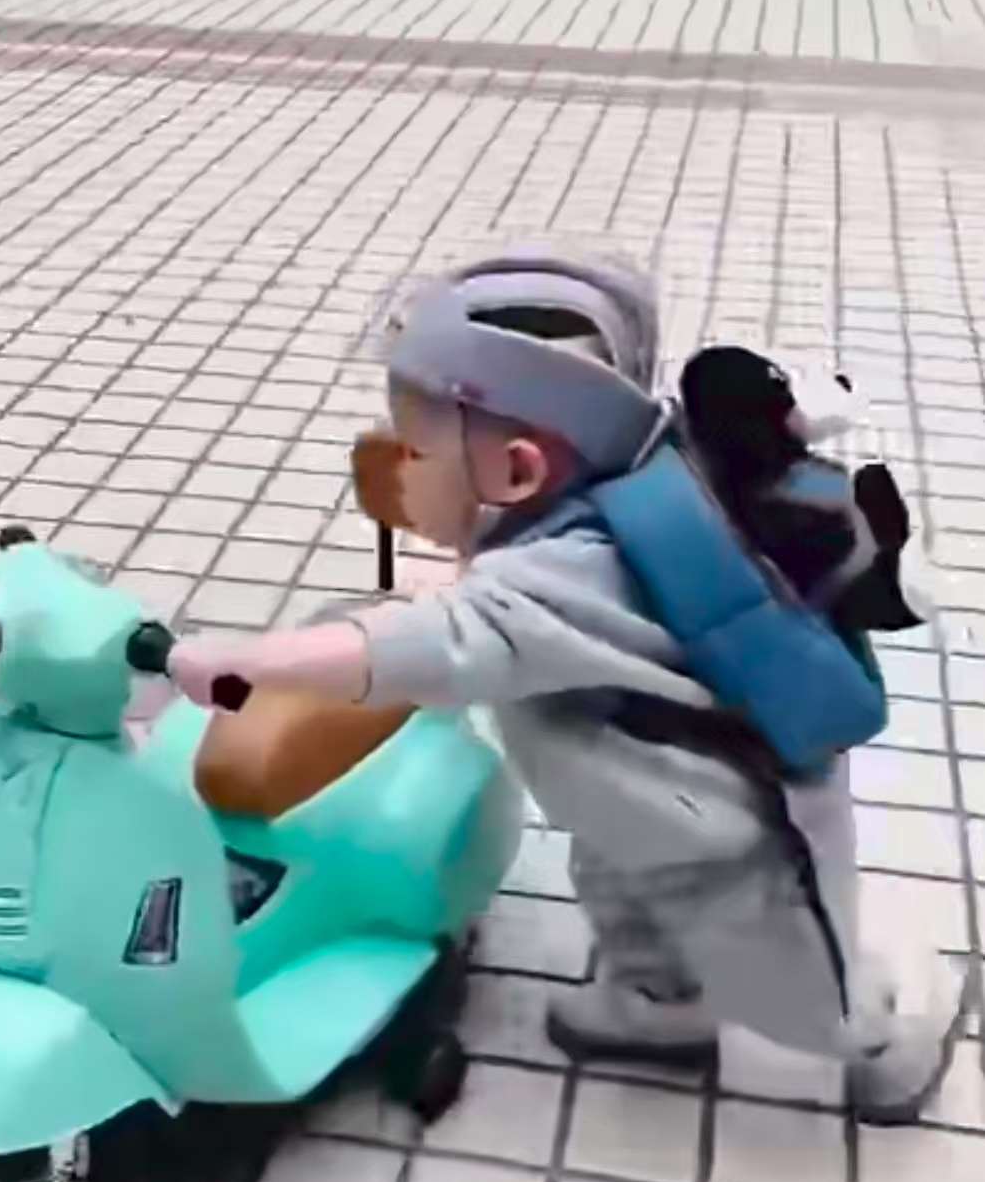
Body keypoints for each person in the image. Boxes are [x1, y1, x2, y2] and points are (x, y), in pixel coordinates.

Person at [168, 248, 964, 1125]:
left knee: (797, 984)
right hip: (633, 793)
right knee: (623, 898)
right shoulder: (576, 516)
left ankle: (894, 1026)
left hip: (740, 824)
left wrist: (254, 660)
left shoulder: (575, 568)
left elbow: (441, 641)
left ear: (516, 471)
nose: (391, 466)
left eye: (416, 450)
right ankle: (661, 1005)